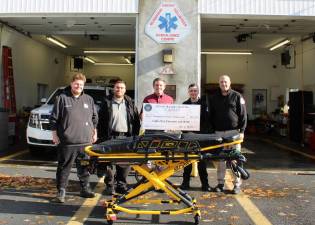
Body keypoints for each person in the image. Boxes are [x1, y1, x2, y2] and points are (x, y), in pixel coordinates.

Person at [50, 73, 98, 203]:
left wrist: (95, 132)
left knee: (84, 167)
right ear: (71, 83)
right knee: (64, 168)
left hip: (85, 142)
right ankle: (61, 192)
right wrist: (54, 134)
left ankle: (85, 189)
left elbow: (94, 118)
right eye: (76, 84)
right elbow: (54, 118)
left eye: (81, 85)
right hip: (67, 142)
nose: (79, 86)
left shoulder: (88, 99)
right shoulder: (62, 98)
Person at [98, 79, 140, 195]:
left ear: (125, 90)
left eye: (121, 88)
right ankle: (110, 185)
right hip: (110, 137)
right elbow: (100, 121)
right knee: (108, 163)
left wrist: (135, 136)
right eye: (117, 87)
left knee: (125, 163)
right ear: (113, 89)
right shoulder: (106, 102)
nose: (119, 89)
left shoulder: (130, 102)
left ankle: (121, 185)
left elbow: (136, 121)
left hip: (126, 137)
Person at [210, 75, 247, 194]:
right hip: (219, 133)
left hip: (234, 132)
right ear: (219, 84)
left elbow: (243, 115)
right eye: (221, 82)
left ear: (230, 83)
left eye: (225, 82)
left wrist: (242, 131)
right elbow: (211, 115)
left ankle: (237, 185)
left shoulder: (237, 96)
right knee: (221, 160)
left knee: (235, 159)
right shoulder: (214, 97)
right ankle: (220, 183)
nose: (223, 84)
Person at [179, 84, 211, 192]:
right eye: (191, 91)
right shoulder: (184, 104)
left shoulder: (204, 104)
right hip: (188, 135)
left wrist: (202, 132)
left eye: (195, 91)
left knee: (202, 161)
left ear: (198, 92)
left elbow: (207, 121)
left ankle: (205, 184)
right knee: (187, 161)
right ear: (188, 92)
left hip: (200, 136)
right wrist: (187, 131)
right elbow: (182, 120)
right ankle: (185, 183)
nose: (193, 92)